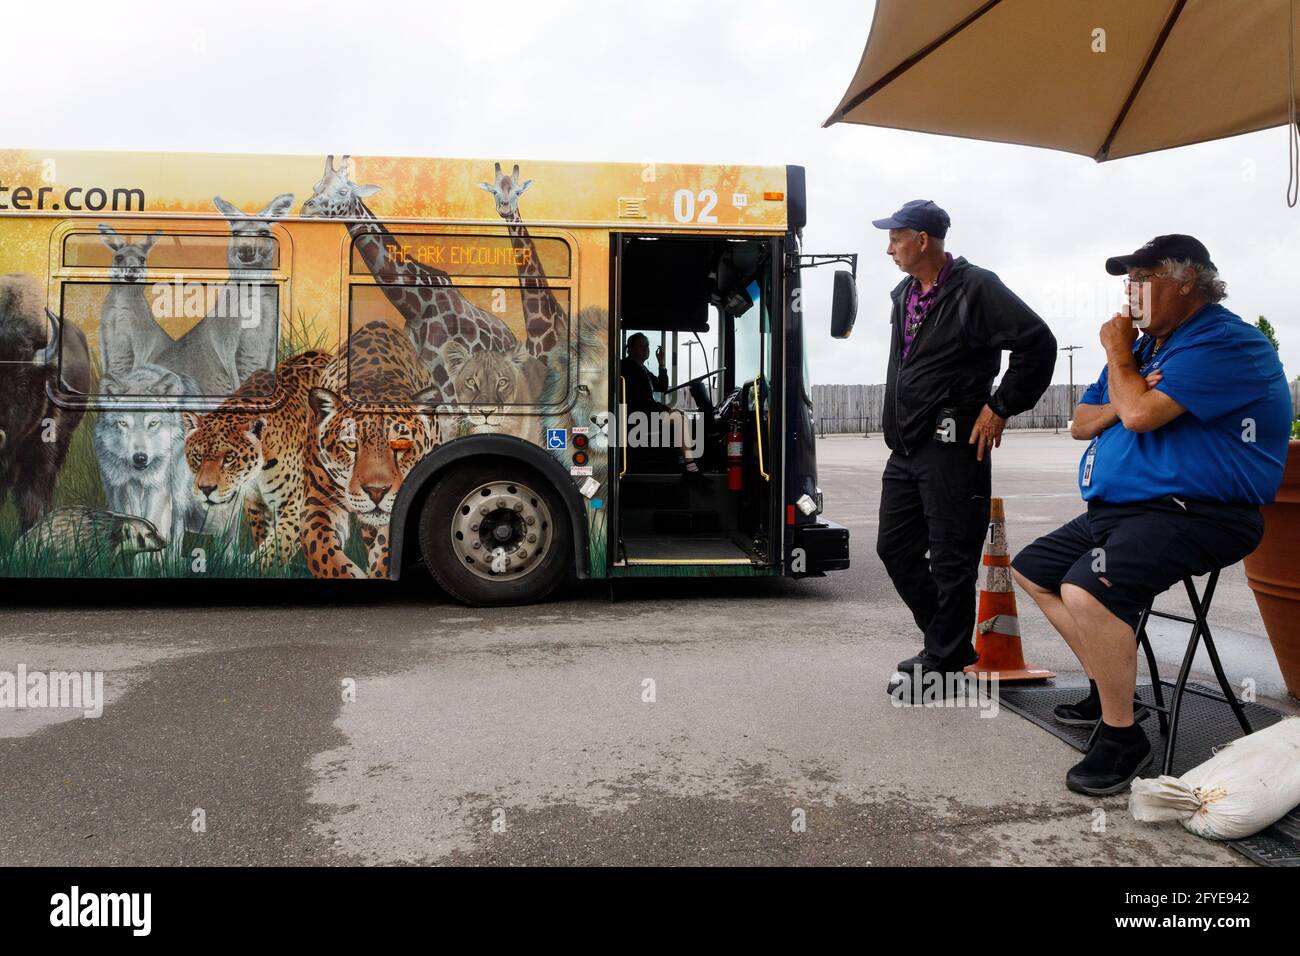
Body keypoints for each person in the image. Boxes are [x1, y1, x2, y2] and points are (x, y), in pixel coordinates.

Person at [1011, 235, 1292, 796]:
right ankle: (1109, 684)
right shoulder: (1144, 353)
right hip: (1126, 512)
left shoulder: (1225, 342)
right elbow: (1082, 422)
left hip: (1199, 513)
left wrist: (1120, 365)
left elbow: (1137, 416)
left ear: (1187, 282)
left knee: (1088, 590)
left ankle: (1123, 737)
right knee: (1033, 569)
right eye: (1126, 282)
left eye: (1141, 279)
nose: (1129, 294)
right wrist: (1127, 386)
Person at [872, 200, 1057, 690]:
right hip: (907, 446)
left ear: (922, 240)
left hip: (954, 446)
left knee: (951, 556)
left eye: (895, 236)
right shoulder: (903, 295)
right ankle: (948, 643)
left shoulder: (977, 287)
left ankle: (944, 657)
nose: (889, 246)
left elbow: (1037, 342)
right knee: (894, 548)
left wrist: (1000, 406)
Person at [619, 332, 700, 476]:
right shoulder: (628, 368)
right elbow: (641, 400)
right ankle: (690, 465)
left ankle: (682, 457)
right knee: (679, 418)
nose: (645, 349)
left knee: (680, 414)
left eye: (647, 346)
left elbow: (661, 387)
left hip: (644, 412)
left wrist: (661, 364)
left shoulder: (642, 368)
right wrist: (665, 409)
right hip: (636, 416)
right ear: (630, 349)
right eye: (641, 346)